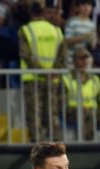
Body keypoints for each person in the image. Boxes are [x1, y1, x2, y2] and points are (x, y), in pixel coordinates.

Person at [20, 2, 66, 143]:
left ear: (30, 13)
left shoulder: (26, 29)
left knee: (35, 113)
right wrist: (54, 71)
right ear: (43, 12)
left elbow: (25, 55)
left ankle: (37, 144)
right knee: (52, 112)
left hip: (32, 78)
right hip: (53, 78)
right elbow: (63, 56)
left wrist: (42, 71)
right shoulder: (56, 31)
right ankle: (55, 144)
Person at [62, 48, 100, 141]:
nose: (84, 61)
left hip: (92, 109)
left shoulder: (94, 78)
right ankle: (88, 143)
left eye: (85, 58)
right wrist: (79, 108)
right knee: (88, 113)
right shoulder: (66, 78)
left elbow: (99, 100)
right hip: (72, 111)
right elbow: (62, 103)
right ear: (74, 60)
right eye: (81, 58)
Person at [64, 0, 96, 66]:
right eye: (83, 4)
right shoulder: (72, 22)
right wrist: (84, 37)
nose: (86, 7)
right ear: (78, 7)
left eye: (89, 5)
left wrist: (92, 42)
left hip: (85, 61)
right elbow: (67, 41)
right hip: (71, 60)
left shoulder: (92, 25)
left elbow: (92, 46)